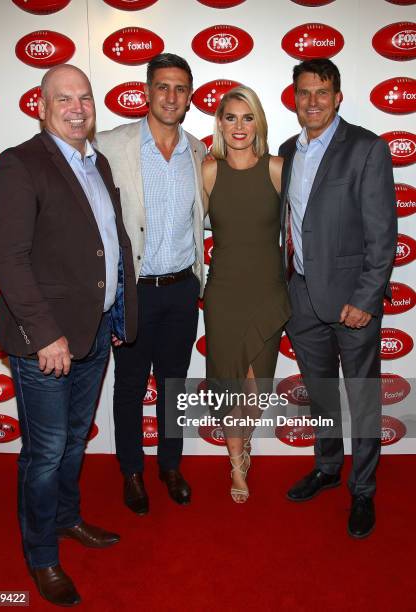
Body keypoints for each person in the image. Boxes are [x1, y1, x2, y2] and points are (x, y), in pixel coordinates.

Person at [0, 64, 137, 606]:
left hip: (93, 333)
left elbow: (107, 247)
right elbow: (7, 257)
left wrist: (117, 315)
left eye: (85, 98)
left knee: (74, 440)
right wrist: (46, 333)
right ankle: (41, 556)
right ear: (41, 106)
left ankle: (68, 519)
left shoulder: (94, 163)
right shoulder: (19, 164)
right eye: (64, 99)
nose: (78, 107)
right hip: (46, 343)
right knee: (46, 451)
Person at [279, 58, 396, 538]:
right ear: (295, 97)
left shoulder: (367, 149)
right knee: (322, 393)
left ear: (338, 96)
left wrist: (366, 298)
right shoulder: (286, 151)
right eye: (304, 92)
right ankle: (328, 468)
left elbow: (383, 235)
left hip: (353, 301)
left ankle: (363, 490)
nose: (312, 101)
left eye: (321, 92)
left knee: (362, 398)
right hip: (300, 296)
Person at [95, 53, 205, 515]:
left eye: (180, 89)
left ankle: (171, 466)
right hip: (134, 290)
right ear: (146, 91)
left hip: (182, 288)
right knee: (130, 385)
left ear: (189, 98)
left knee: (175, 385)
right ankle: (132, 472)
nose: (171, 96)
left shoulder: (198, 152)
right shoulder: (110, 145)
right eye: (162, 86)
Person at [202, 86, 291, 503]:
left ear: (259, 122)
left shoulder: (276, 168)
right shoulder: (209, 170)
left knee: (257, 390)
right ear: (219, 123)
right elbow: (192, 226)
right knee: (230, 385)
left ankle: (245, 439)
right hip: (223, 295)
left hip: (266, 292)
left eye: (247, 117)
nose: (239, 126)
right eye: (231, 117)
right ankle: (237, 460)